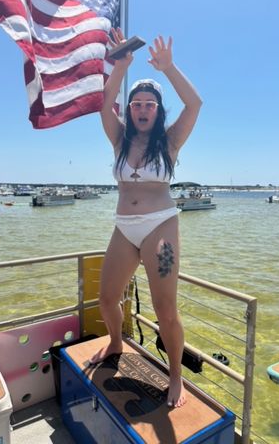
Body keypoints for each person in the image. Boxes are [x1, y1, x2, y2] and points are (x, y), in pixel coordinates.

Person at [90, 28, 202, 408]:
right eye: (136, 103)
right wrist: (120, 67)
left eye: (148, 104)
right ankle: (117, 343)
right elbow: (105, 105)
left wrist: (168, 69)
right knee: (106, 300)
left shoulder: (170, 142)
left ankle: (175, 377)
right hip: (124, 227)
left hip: (160, 226)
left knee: (165, 309)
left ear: (158, 110)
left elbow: (195, 104)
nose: (141, 109)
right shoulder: (120, 140)